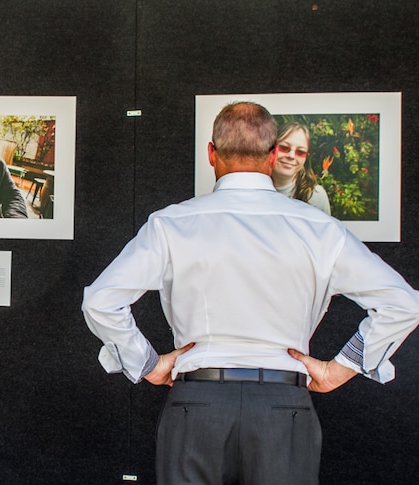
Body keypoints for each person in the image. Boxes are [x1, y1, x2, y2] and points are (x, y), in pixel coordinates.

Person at [81, 102, 419, 484]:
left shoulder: (171, 223)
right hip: (284, 407)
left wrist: (147, 363)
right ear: (274, 155)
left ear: (212, 154)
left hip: (197, 406)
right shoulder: (320, 228)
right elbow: (402, 303)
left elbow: (100, 300)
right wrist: (338, 370)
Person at [272, 121, 331, 214]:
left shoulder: (316, 196)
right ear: (270, 149)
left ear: (306, 157)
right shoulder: (252, 191)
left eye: (300, 152)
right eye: (284, 148)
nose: (291, 156)